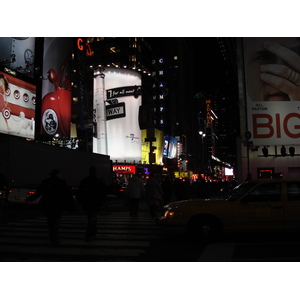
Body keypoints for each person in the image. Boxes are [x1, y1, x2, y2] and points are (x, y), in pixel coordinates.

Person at [26, 169, 72, 245]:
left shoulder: (45, 181)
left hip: (48, 204)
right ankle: (54, 237)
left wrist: (30, 199)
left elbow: (39, 192)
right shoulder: (62, 182)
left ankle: (52, 235)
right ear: (58, 174)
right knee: (56, 221)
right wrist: (70, 205)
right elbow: (67, 194)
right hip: (58, 205)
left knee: (50, 221)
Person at [78, 166, 107, 241]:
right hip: (96, 203)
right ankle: (91, 232)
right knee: (93, 218)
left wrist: (81, 202)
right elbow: (103, 192)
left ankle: (91, 232)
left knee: (90, 218)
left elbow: (80, 193)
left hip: (87, 203)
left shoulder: (84, 181)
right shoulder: (98, 181)